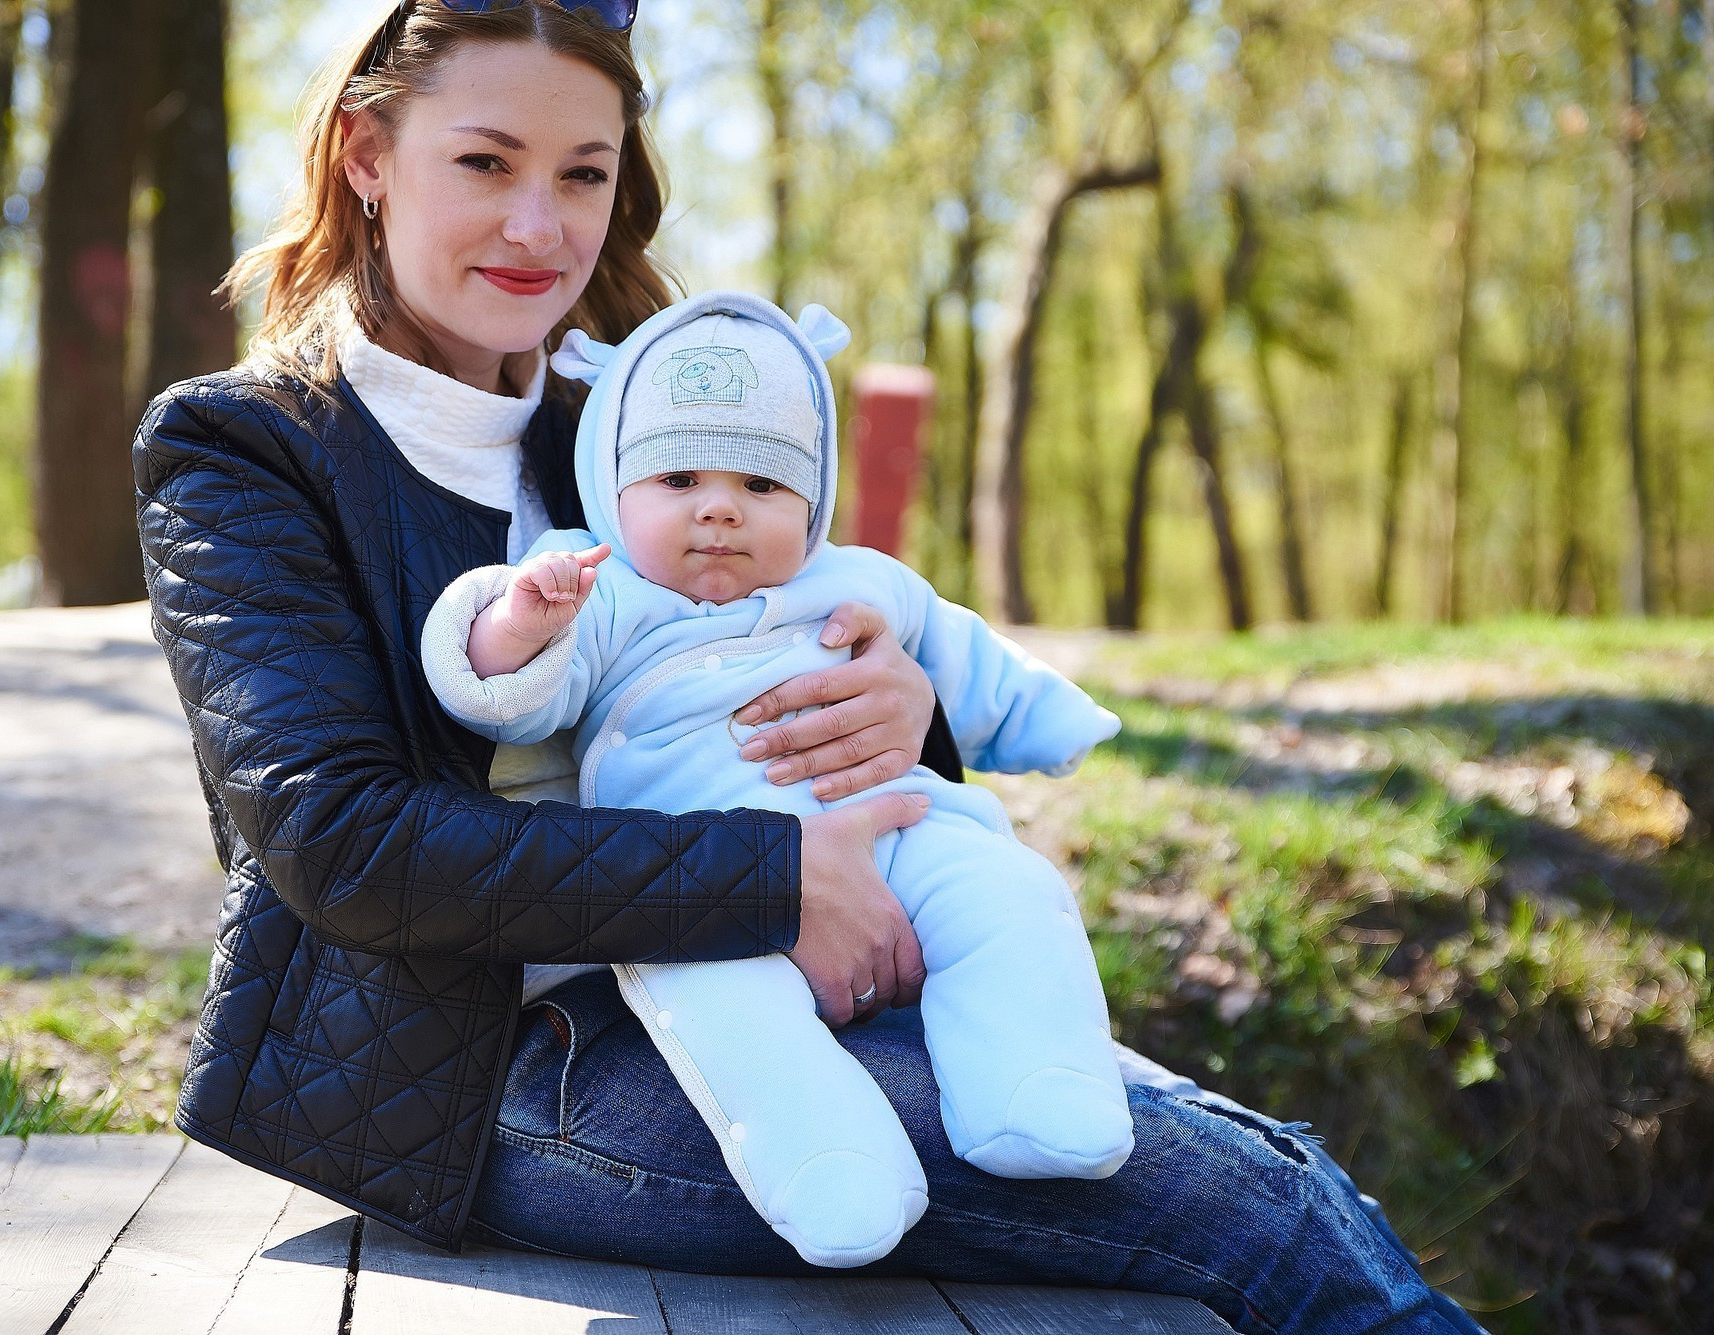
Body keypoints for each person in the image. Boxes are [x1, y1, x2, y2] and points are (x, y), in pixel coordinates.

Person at [132, 2, 1485, 1330]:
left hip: (760, 988)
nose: (539, 226)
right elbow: (345, 843)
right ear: (368, 154)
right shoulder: (244, 450)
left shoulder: (636, 425)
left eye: (583, 173)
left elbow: (795, 637)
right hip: (485, 1074)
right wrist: (772, 883)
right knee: (1249, 1210)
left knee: (1266, 1157)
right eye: (485, 162)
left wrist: (904, 708)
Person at [419, 291, 1135, 1269]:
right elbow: (508, 700)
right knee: (725, 1014)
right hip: (703, 885)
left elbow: (966, 662)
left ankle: (1038, 1087)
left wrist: (1053, 720)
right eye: (678, 477)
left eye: (761, 482)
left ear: (814, 500)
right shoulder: (602, 589)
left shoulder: (857, 580)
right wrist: (518, 625)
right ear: (612, 487)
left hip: (898, 830)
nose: (718, 508)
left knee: (1009, 893)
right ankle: (829, 1168)